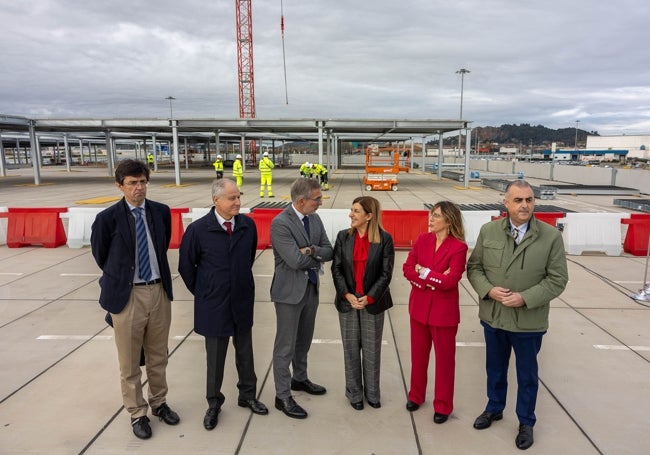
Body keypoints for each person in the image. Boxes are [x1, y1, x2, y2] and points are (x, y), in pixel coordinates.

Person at [467, 180, 568, 450]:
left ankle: (526, 421)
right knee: (495, 369)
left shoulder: (550, 237)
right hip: (495, 316)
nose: (525, 205)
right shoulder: (489, 231)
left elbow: (558, 279)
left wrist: (525, 297)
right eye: (518, 200)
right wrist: (489, 290)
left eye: (529, 200)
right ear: (506, 202)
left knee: (527, 375)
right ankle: (494, 407)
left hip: (528, 322)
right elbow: (474, 268)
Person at [90, 159, 179, 440]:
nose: (139, 188)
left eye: (142, 182)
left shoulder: (161, 212)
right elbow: (101, 256)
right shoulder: (107, 219)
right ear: (120, 185)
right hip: (128, 296)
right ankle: (137, 412)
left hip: (158, 291)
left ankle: (159, 403)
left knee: (158, 355)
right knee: (129, 362)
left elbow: (162, 245)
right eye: (132, 183)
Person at [178, 178, 268, 430]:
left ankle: (248, 395)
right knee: (215, 358)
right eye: (232, 198)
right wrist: (205, 291)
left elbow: (248, 258)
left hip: (241, 300)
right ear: (216, 200)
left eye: (239, 196)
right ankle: (214, 403)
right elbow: (186, 267)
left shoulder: (247, 226)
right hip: (213, 304)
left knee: (245, 353)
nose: (238, 202)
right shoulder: (198, 230)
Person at [270, 178, 334, 419]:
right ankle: (282, 395)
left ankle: (300, 378)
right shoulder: (280, 224)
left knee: (304, 341)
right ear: (301, 201)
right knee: (285, 346)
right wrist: (313, 256)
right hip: (288, 293)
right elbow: (294, 261)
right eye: (317, 199)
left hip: (310, 288)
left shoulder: (314, 219)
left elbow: (329, 250)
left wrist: (311, 250)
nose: (320, 203)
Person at [402, 201, 468, 424]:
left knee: (445, 362)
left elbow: (451, 281)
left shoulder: (458, 247)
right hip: (419, 309)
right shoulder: (422, 240)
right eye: (431, 215)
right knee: (418, 357)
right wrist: (430, 278)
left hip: (444, 314)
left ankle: (443, 405)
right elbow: (407, 269)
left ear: (448, 220)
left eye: (436, 216)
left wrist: (425, 272)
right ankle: (416, 396)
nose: (431, 219)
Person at [331, 196, 394, 410]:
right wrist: (347, 294)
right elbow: (336, 269)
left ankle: (373, 394)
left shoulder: (384, 239)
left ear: (369, 216)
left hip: (372, 302)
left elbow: (386, 273)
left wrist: (370, 297)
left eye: (356, 211)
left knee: (371, 350)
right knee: (350, 350)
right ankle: (354, 393)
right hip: (348, 301)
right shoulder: (343, 238)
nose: (351, 214)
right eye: (351, 210)